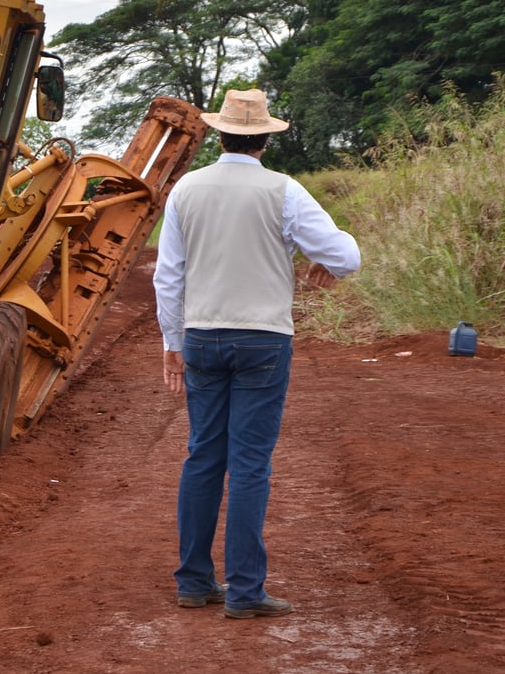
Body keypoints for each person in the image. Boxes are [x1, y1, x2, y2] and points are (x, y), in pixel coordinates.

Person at [153, 89, 360, 619]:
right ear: (266, 140)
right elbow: (346, 255)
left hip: (201, 336)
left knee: (203, 455)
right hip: (262, 339)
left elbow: (168, 276)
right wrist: (325, 264)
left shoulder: (186, 190)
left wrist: (172, 344)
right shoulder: (284, 191)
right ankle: (245, 593)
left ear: (219, 134)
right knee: (249, 464)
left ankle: (194, 581)